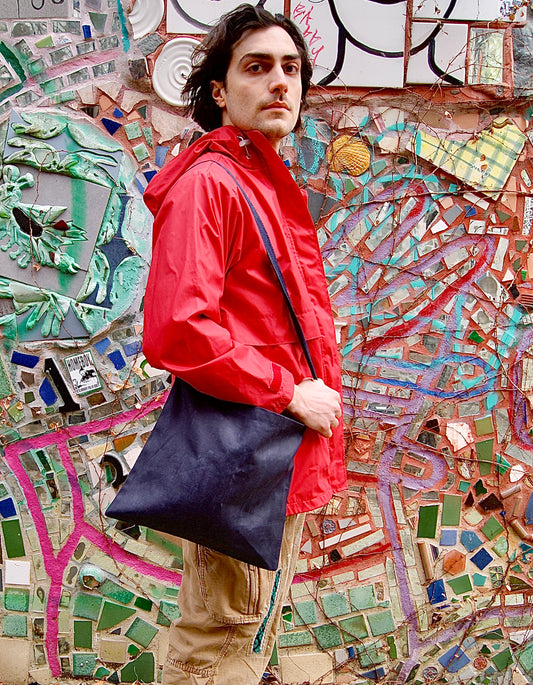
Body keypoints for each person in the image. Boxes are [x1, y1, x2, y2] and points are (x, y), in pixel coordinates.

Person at [142, 4, 346, 683]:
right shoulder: (211, 184)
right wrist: (288, 391)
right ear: (220, 92)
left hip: (272, 458)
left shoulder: (258, 179)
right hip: (248, 456)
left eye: (291, 68)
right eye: (256, 67)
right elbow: (178, 329)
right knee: (216, 648)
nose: (280, 82)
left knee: (243, 638)